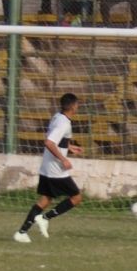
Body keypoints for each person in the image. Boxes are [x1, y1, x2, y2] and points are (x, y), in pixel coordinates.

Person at [13, 93, 85, 243]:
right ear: (72, 107)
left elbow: (55, 140)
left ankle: (22, 232)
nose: (78, 107)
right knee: (76, 197)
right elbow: (49, 143)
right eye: (77, 105)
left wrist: (69, 147)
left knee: (45, 200)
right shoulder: (64, 123)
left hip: (47, 166)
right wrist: (63, 159)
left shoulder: (57, 116)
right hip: (55, 170)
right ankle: (45, 218)